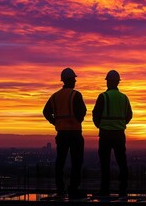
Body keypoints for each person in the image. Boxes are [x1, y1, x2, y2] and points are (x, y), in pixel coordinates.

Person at [43, 67, 86, 198]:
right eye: (74, 79)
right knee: (76, 162)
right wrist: (77, 120)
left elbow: (46, 112)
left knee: (60, 161)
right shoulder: (75, 95)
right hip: (74, 133)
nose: (75, 82)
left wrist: (55, 122)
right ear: (70, 80)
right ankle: (74, 188)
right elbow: (82, 113)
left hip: (61, 134)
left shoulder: (55, 96)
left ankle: (60, 188)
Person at [92, 70, 133, 197]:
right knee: (122, 161)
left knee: (105, 163)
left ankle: (105, 190)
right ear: (118, 82)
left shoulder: (103, 97)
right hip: (119, 134)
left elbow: (95, 115)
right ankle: (123, 190)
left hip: (105, 134)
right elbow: (129, 115)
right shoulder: (124, 98)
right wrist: (121, 124)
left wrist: (101, 126)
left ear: (108, 82)